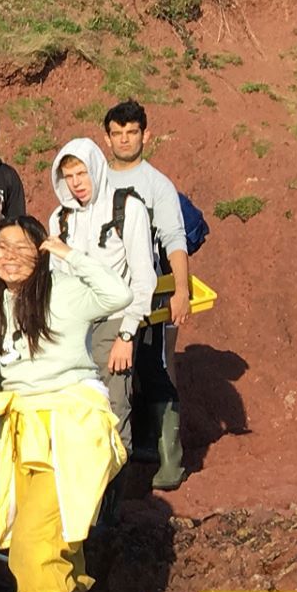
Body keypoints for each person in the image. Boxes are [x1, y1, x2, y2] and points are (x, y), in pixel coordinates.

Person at [0, 216, 130, 592]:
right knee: (56, 541)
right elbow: (7, 387)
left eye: (23, 246)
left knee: (36, 545)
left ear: (40, 251)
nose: (10, 255)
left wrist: (66, 253)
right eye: (1, 246)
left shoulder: (64, 290)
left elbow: (117, 295)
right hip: (24, 428)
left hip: (68, 424)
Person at [46, 139, 154, 469]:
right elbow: (57, 280)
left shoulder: (127, 209)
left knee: (113, 409)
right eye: (69, 176)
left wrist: (126, 335)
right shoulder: (59, 219)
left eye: (82, 173)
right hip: (75, 326)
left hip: (114, 320)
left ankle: (113, 500)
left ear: (96, 169)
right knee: (76, 409)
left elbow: (143, 277)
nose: (76, 182)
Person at [102, 99, 192, 490]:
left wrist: (182, 289)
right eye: (117, 133)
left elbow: (174, 238)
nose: (124, 139)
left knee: (153, 366)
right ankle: (136, 446)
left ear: (146, 135)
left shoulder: (157, 184)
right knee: (119, 367)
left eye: (132, 132)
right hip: (106, 296)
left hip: (150, 292)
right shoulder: (97, 181)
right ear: (106, 138)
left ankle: (171, 458)